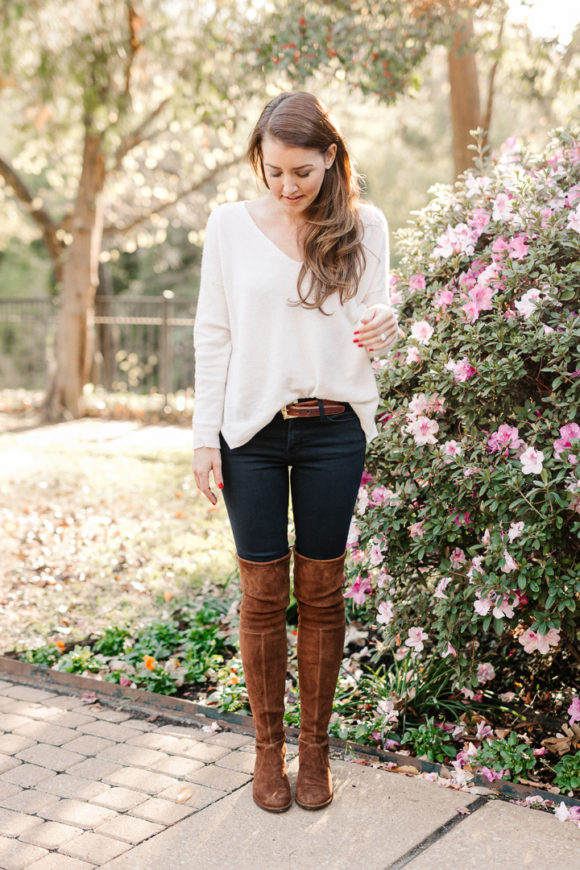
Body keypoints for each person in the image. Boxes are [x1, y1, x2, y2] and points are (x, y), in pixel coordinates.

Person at [192, 91, 397, 813]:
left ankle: (315, 751)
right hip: (249, 432)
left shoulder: (363, 224)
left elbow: (381, 311)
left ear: (332, 158)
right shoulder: (228, 226)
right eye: (273, 170)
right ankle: (267, 751)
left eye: (302, 172)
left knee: (321, 591)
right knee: (261, 594)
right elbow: (213, 335)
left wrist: (382, 324)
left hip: (331, 430)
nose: (286, 186)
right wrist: (201, 438)